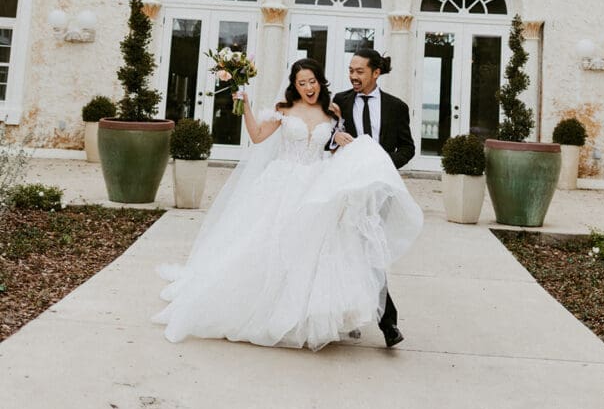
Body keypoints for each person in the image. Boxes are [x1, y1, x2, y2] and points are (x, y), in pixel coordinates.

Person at [154, 57, 422, 351]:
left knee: (314, 251)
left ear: (320, 81)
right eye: (302, 83)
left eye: (312, 81)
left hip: (316, 186)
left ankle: (315, 314)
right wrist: (245, 105)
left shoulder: (333, 111)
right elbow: (257, 137)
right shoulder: (283, 110)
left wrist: (342, 143)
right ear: (294, 86)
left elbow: (332, 149)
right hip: (281, 185)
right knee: (267, 243)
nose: (308, 87)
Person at [329, 49, 416, 347]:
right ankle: (383, 321)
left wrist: (383, 166)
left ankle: (383, 319)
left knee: (371, 250)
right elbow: (327, 135)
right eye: (350, 70)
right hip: (347, 191)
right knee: (349, 250)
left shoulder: (396, 107)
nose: (353, 76)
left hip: (379, 191)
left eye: (359, 71)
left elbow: (408, 148)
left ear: (376, 72)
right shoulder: (340, 101)